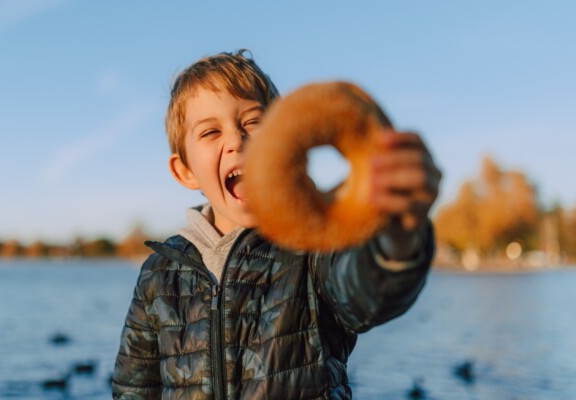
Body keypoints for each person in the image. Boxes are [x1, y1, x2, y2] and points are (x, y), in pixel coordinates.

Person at [112, 50, 441, 400]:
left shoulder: (313, 247)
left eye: (253, 123)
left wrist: (399, 235)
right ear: (186, 171)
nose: (237, 140)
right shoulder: (159, 273)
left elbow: (367, 294)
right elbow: (133, 389)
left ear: (284, 139)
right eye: (210, 132)